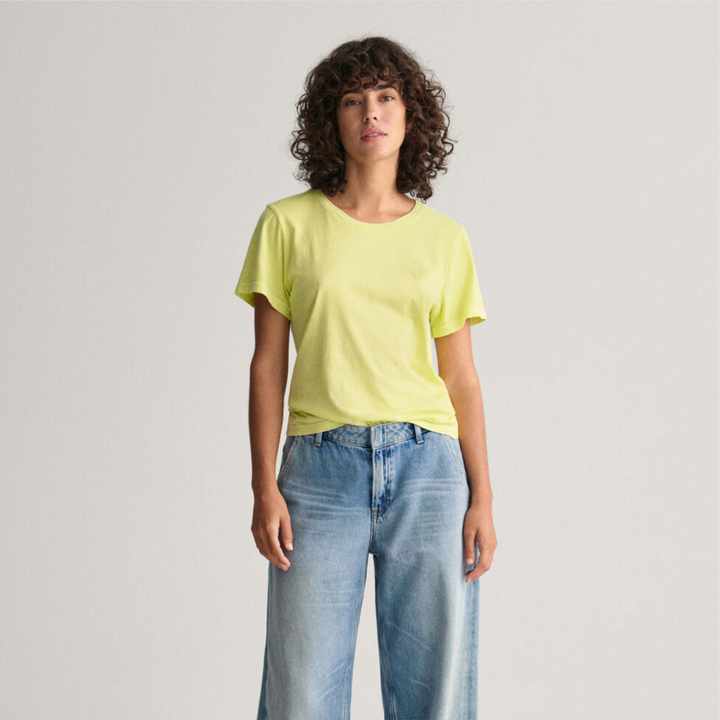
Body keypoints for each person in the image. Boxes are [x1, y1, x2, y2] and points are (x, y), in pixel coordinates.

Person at [234, 36, 497, 720]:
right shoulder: (287, 225)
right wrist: (264, 485)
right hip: (319, 472)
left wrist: (483, 497)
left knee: (435, 693)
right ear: (333, 119)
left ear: (411, 118)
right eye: (352, 100)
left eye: (385, 97)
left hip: (429, 469)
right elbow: (268, 365)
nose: (370, 113)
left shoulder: (443, 239)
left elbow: (462, 377)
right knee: (301, 692)